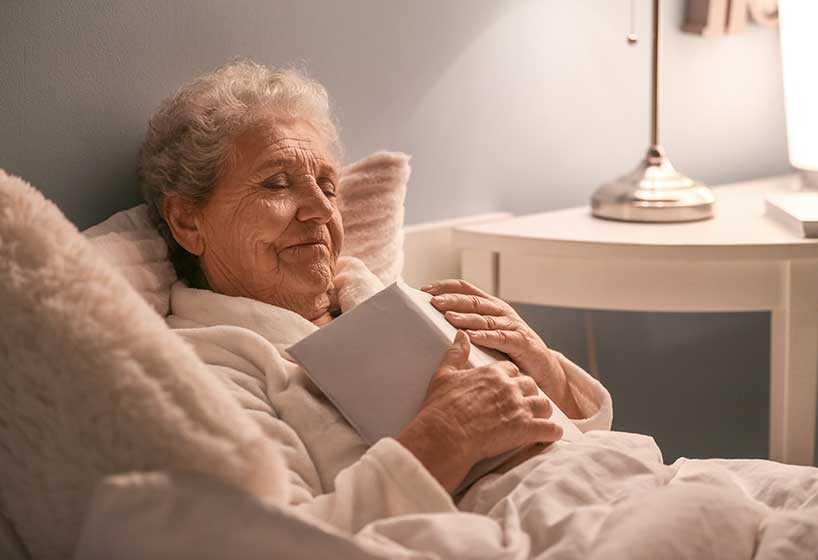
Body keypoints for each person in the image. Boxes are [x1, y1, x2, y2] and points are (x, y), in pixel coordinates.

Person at [139, 59, 612, 531]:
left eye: (328, 186)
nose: (322, 208)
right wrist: (447, 436)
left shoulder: (407, 302)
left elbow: (587, 446)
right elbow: (286, 541)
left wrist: (543, 368)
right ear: (187, 221)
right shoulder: (206, 372)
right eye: (277, 183)